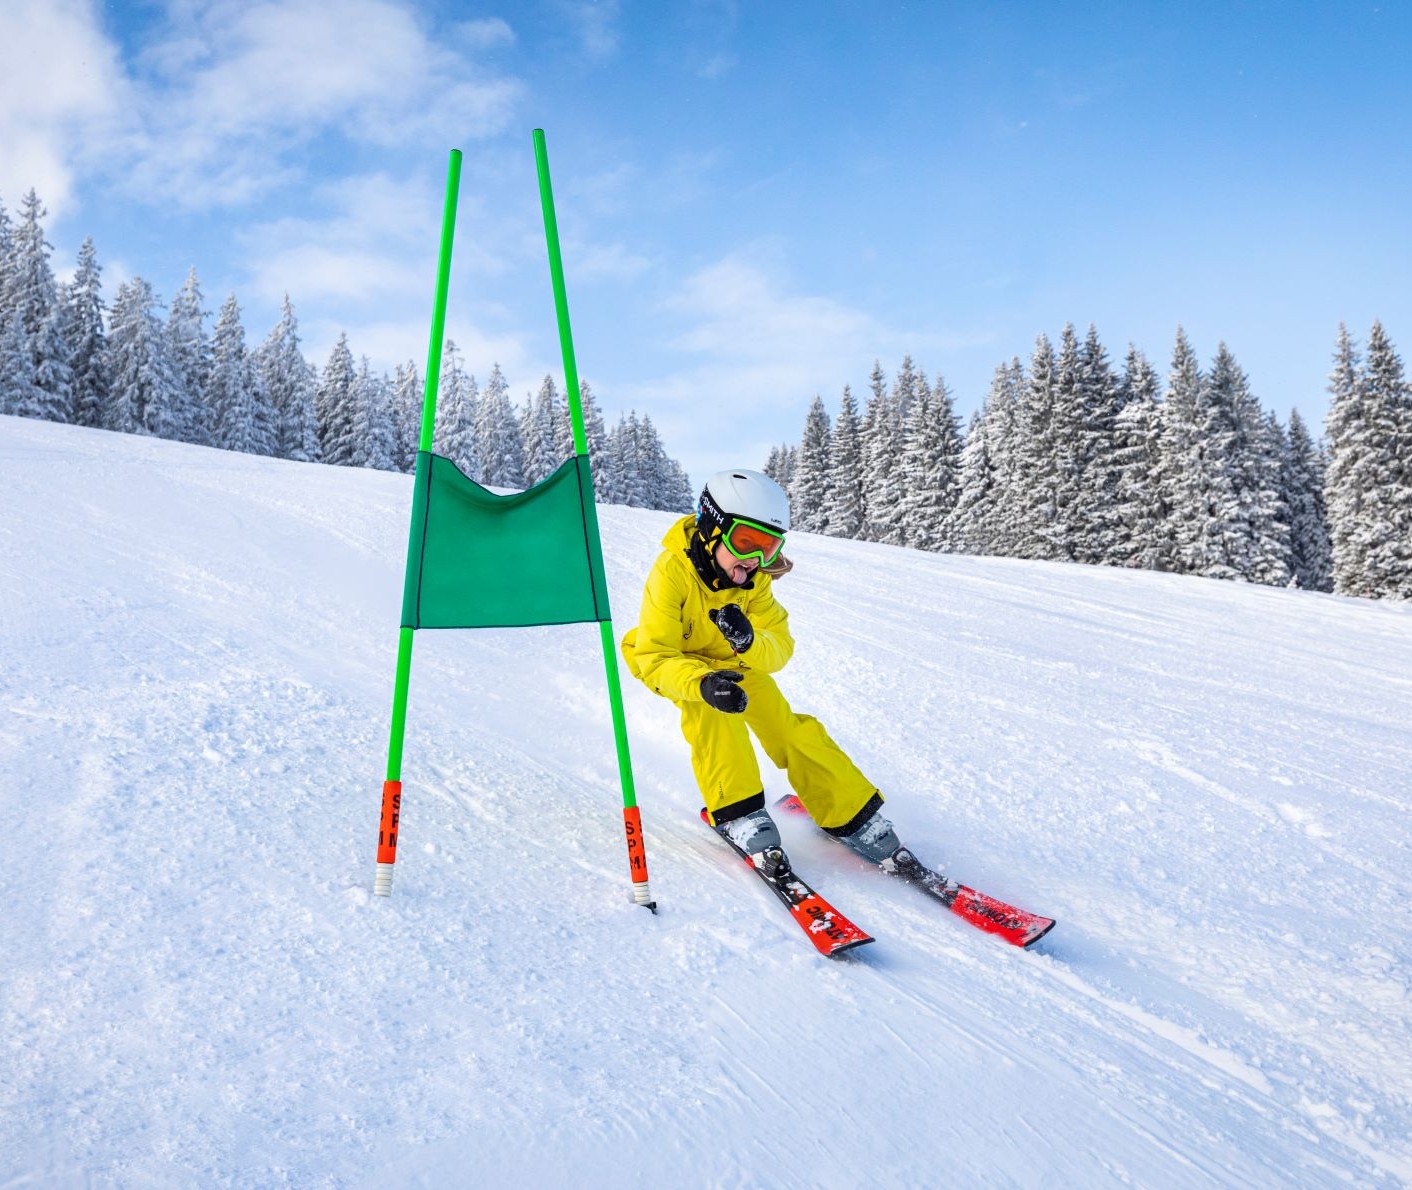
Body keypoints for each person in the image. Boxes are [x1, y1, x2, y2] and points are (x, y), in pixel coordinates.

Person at [620, 467, 911, 880]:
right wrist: (702, 683)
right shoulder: (671, 573)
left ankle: (849, 813)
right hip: (684, 667)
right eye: (745, 543)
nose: (754, 560)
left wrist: (748, 641)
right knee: (717, 716)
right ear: (711, 528)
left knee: (788, 729)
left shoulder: (753, 582)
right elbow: (655, 655)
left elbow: (780, 648)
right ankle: (738, 813)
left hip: (735, 665)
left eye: (767, 548)